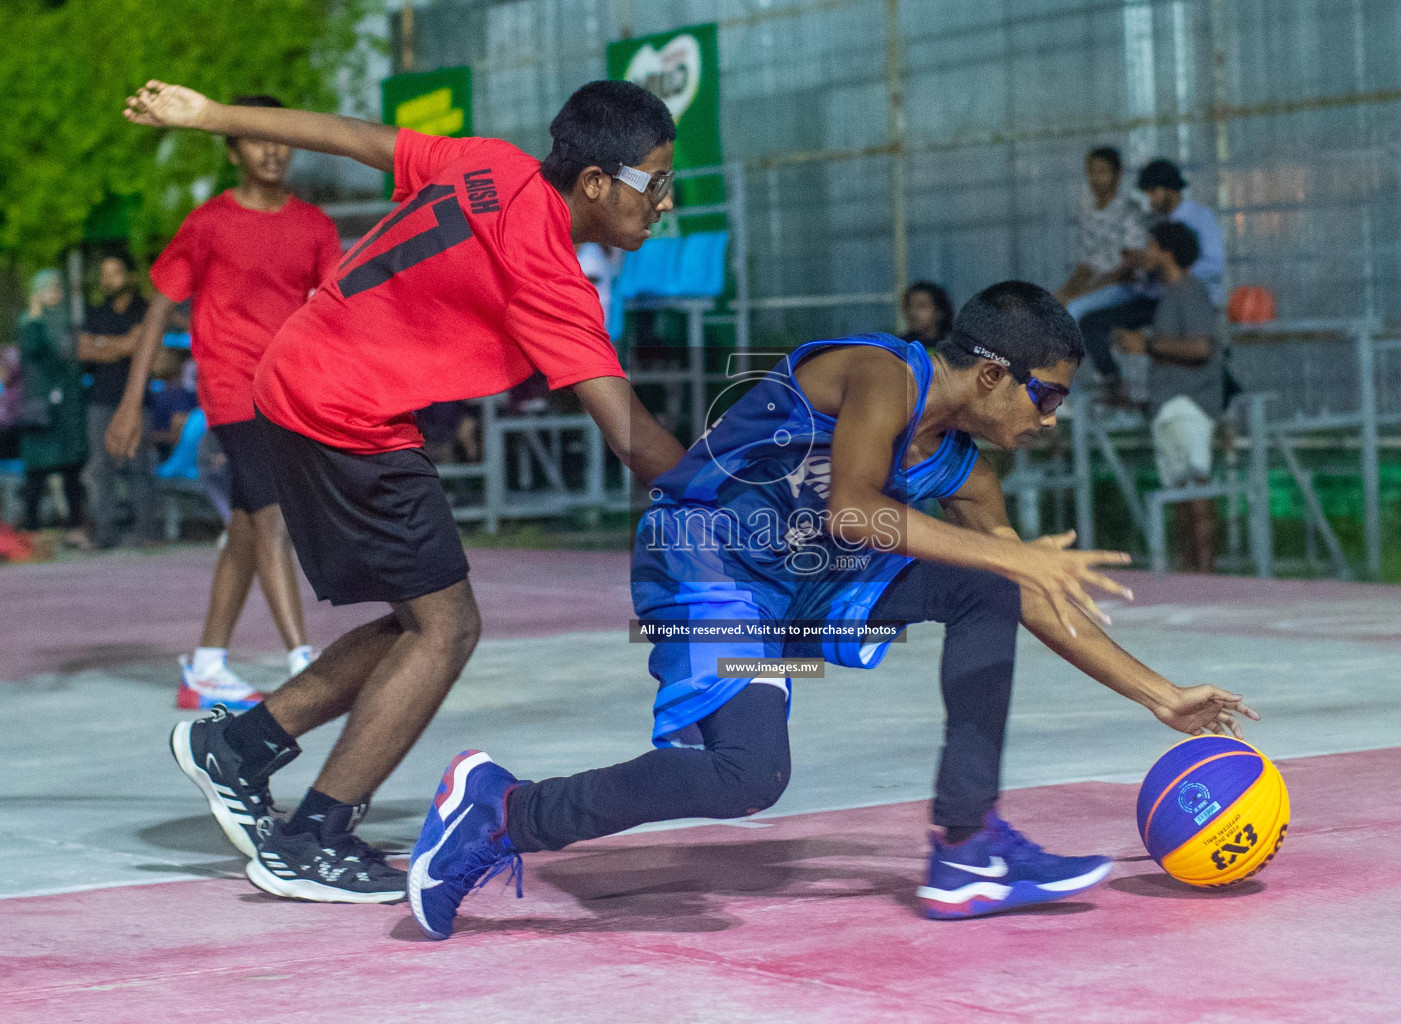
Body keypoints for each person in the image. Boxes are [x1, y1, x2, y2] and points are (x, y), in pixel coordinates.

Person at [408, 282, 1260, 939]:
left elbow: (1029, 590)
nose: (1052, 417)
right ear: (993, 373)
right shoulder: (881, 372)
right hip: (710, 564)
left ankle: (965, 846)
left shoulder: (967, 472)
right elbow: (855, 509)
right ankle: (501, 809)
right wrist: (1009, 554)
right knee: (750, 778)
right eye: (1047, 395)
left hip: (806, 587)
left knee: (989, 587)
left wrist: (1159, 694)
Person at [121, 76, 693, 903]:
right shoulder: (549, 273)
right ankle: (313, 837)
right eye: (655, 181)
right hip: (345, 411)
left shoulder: (487, 162)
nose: (663, 202)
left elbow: (348, 135)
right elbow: (637, 441)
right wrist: (736, 489)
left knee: (415, 620)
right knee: (448, 627)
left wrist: (213, 115)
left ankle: (240, 748)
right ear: (597, 181)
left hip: (297, 377)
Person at [107, 95, 337, 711]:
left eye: (279, 137)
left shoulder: (314, 226)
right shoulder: (208, 224)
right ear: (232, 151)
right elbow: (158, 309)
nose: (271, 148)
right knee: (272, 517)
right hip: (233, 389)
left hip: (291, 393)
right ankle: (303, 665)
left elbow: (336, 313)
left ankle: (207, 666)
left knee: (244, 523)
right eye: (254, 138)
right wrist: (132, 404)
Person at [1114, 222, 1222, 572]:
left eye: (1151, 245)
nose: (1146, 253)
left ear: (1167, 252)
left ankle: (1205, 576)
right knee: (1179, 495)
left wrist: (1146, 344)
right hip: (1170, 406)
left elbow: (1201, 347)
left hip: (1187, 404)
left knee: (1196, 493)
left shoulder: (1189, 291)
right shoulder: (1172, 295)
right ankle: (1191, 575)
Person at [1078, 158, 1225, 397]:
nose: (1150, 199)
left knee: (1190, 352)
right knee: (1092, 323)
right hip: (1154, 299)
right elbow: (1151, 269)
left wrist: (1172, 269)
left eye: (1153, 192)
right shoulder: (1156, 221)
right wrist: (1141, 266)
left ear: (1170, 189)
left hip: (1190, 300)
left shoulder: (1201, 218)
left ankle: (1220, 401)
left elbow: (1213, 266)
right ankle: (1114, 385)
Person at [80, 252, 156, 548]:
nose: (107, 280)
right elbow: (82, 349)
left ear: (130, 276)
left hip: (137, 401)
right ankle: (105, 534)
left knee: (139, 466)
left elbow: (144, 346)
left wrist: (103, 345)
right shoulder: (95, 311)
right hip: (100, 400)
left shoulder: (144, 310)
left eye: (114, 272)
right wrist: (124, 344)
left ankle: (148, 533)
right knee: (101, 468)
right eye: (104, 273)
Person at [17, 270, 90, 549]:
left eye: (56, 287)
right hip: (41, 410)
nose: (54, 293)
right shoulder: (29, 324)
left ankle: (74, 526)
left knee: (72, 470)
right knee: (36, 472)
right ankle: (31, 531)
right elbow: (32, 351)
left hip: (68, 408)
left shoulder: (68, 323)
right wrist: (34, 315)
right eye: (46, 289)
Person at [1054, 146, 1148, 321]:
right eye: (1091, 172)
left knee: (1074, 307)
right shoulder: (1087, 214)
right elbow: (1085, 267)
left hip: (1124, 287)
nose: (1095, 179)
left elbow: (1128, 270)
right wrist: (1061, 293)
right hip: (1094, 285)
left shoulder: (1130, 210)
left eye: (1103, 172)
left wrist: (1085, 292)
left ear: (1117, 174)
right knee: (1049, 307)